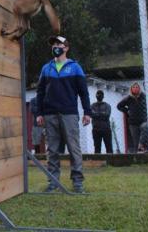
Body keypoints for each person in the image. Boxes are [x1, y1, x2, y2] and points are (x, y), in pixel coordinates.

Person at [35, 36, 91, 194]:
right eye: (53, 44)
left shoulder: (75, 67)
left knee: (74, 148)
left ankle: (78, 182)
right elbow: (40, 92)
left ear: (66, 48)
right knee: (52, 150)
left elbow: (83, 92)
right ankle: (53, 182)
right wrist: (39, 113)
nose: (55, 46)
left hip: (69, 114)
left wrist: (87, 112)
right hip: (49, 114)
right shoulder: (46, 68)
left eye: (59, 44)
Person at [117, 83, 148, 153]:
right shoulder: (128, 98)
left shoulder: (144, 96)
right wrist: (127, 111)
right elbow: (119, 106)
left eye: (137, 87)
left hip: (143, 120)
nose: (135, 88)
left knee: (145, 127)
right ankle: (137, 157)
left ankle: (141, 144)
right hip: (133, 123)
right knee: (135, 142)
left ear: (139, 88)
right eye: (134, 87)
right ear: (131, 89)